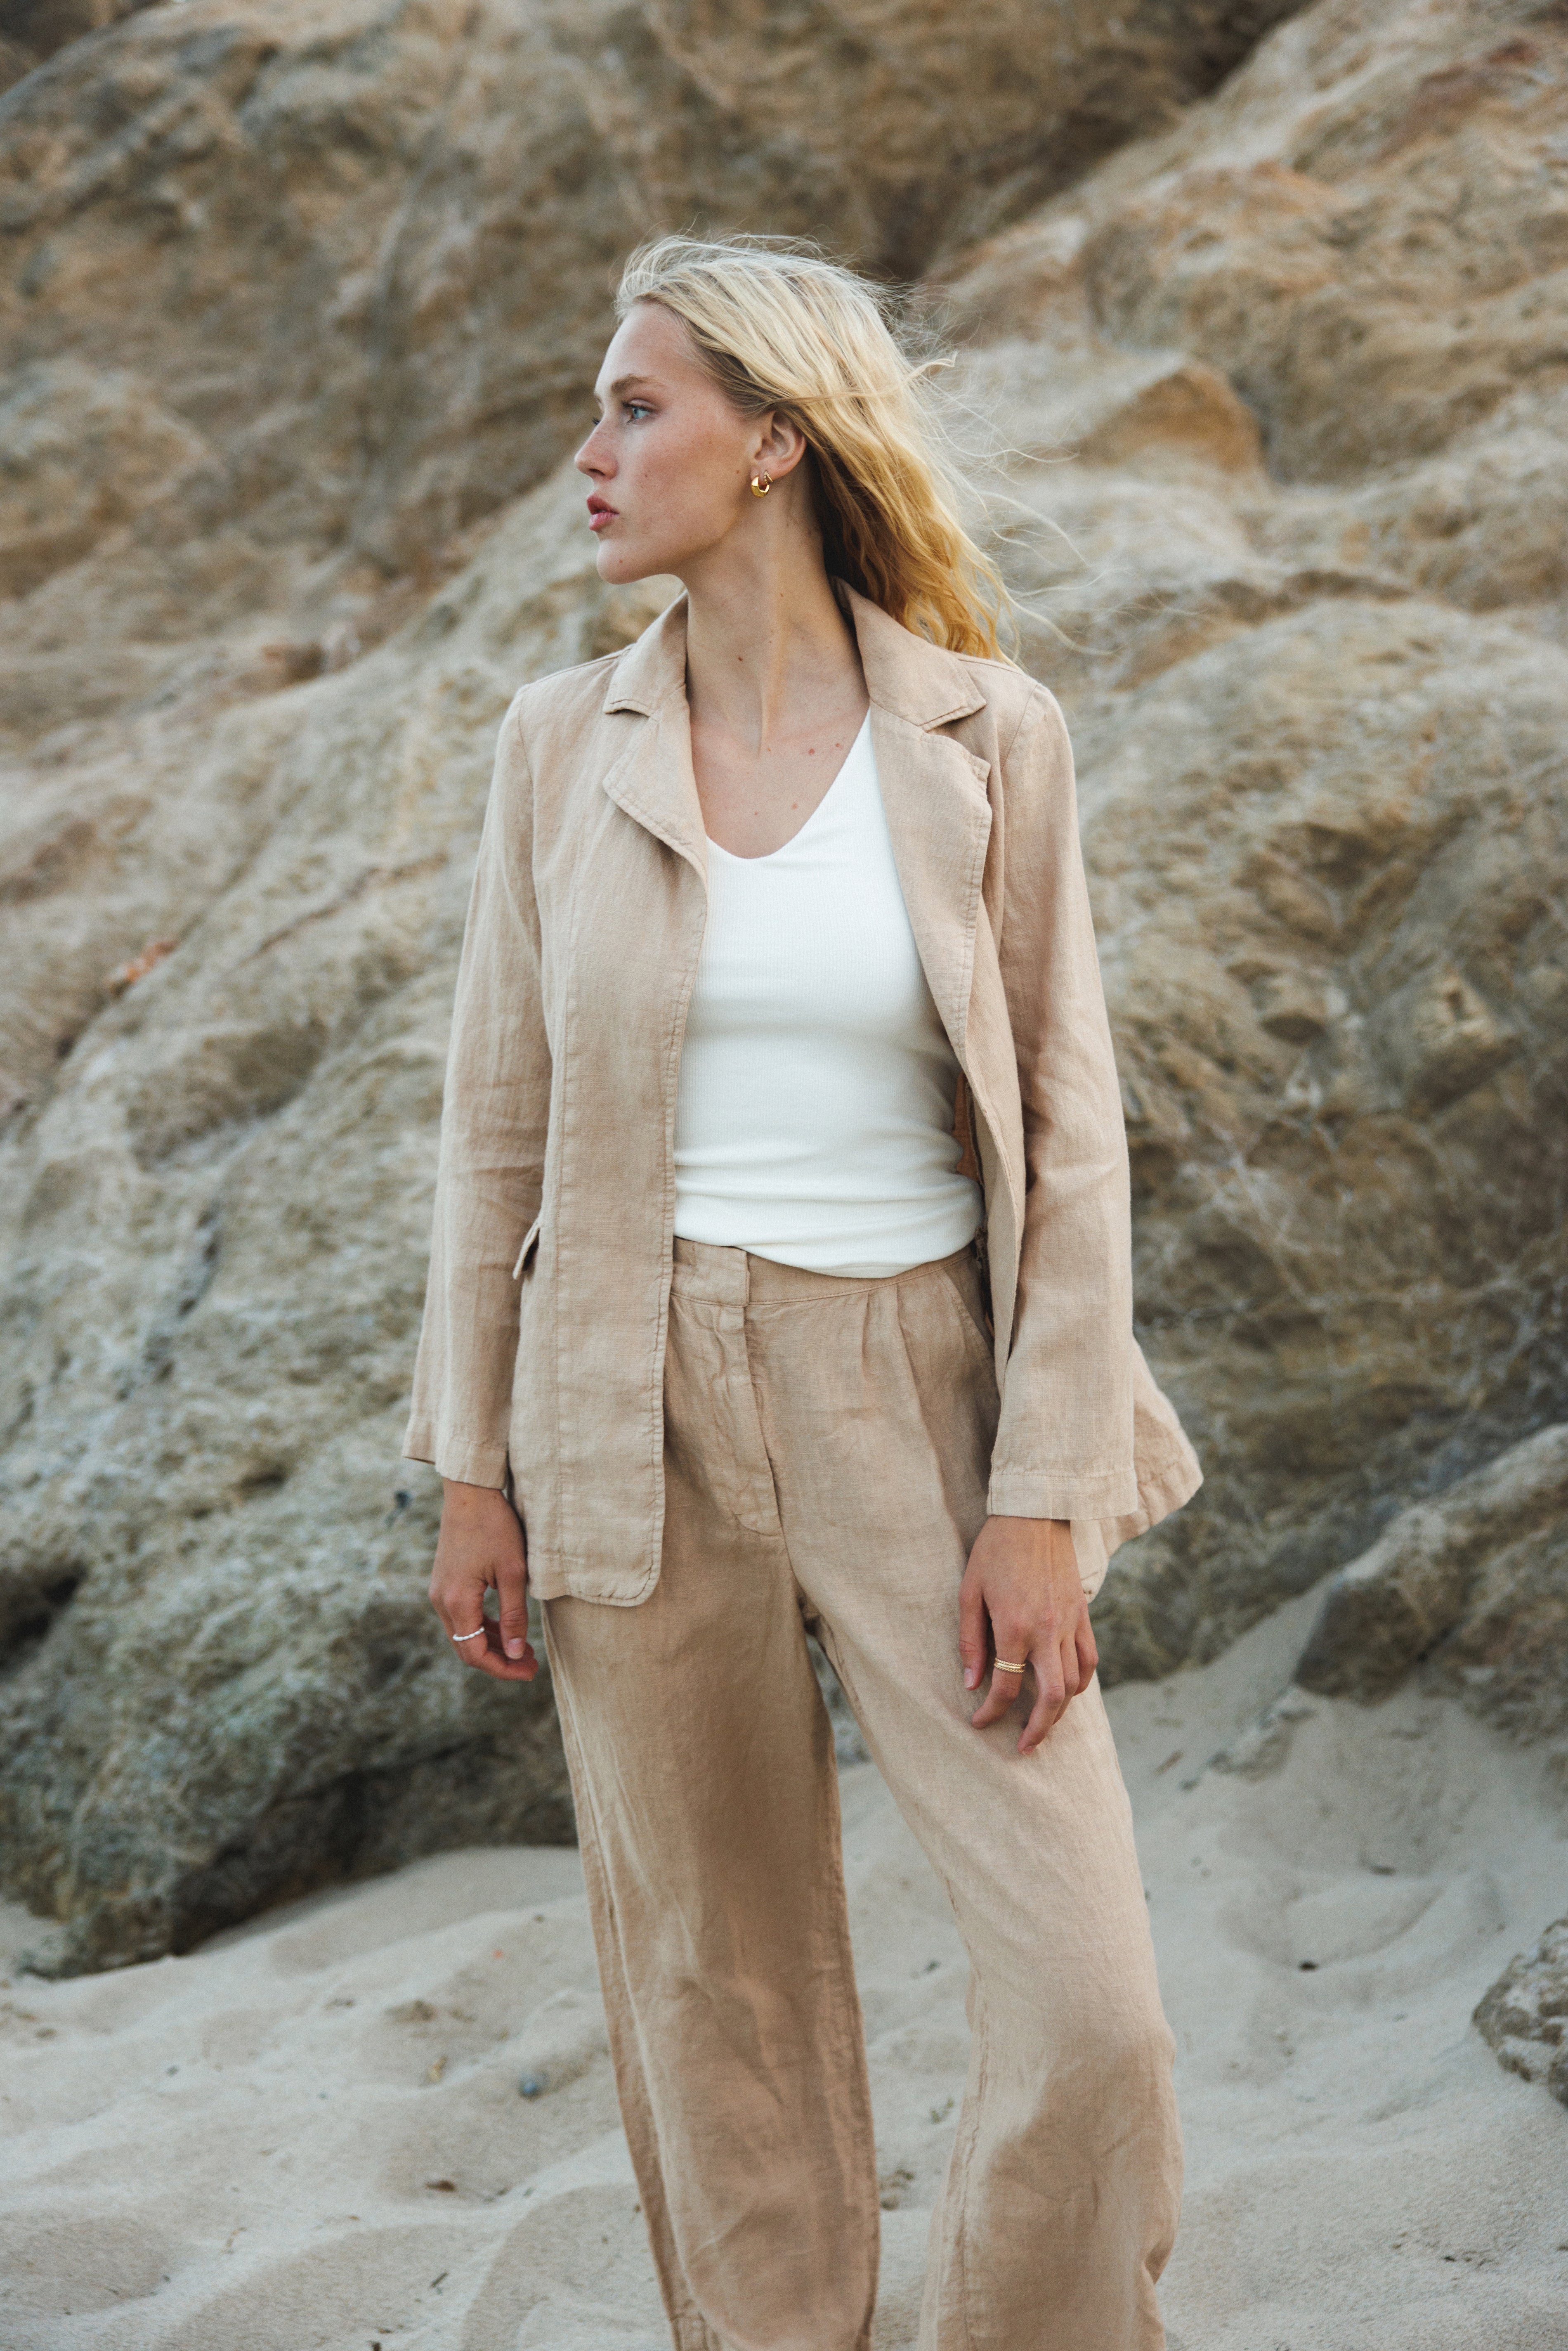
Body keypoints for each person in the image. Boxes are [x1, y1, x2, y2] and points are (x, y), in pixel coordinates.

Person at [403, 232, 1202, 2351]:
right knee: (719, 2007)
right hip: (624, 1401)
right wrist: (467, 1464)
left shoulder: (983, 738)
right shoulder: (554, 747)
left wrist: (1044, 1492)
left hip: (916, 1396)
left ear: (773, 439)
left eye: (633, 405)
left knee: (1089, 2004)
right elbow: (492, 1131)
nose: (589, 453)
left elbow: (1070, 1133)